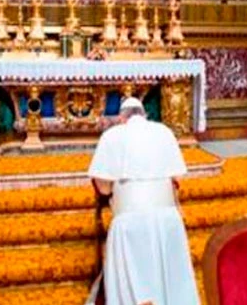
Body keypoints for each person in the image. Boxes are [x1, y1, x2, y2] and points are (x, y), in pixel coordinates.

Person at [85, 97, 200, 305]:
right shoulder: (164, 132)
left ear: (122, 118)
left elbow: (103, 188)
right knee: (171, 283)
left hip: (130, 223)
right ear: (144, 114)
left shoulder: (112, 136)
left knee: (136, 284)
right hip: (168, 221)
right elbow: (177, 178)